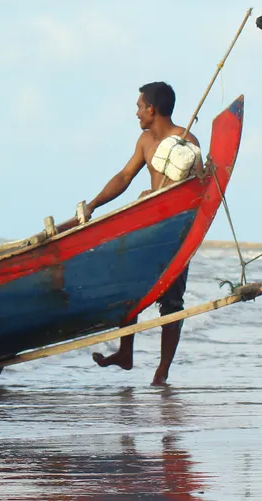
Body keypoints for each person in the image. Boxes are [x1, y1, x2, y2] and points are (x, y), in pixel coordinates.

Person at [86, 82, 201, 386]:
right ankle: (126, 354)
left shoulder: (186, 141)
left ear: (152, 109)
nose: (136, 112)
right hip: (147, 230)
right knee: (128, 291)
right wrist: (94, 204)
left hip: (175, 234)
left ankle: (162, 372)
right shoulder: (144, 140)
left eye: (139, 106)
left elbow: (199, 189)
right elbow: (125, 176)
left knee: (172, 303)